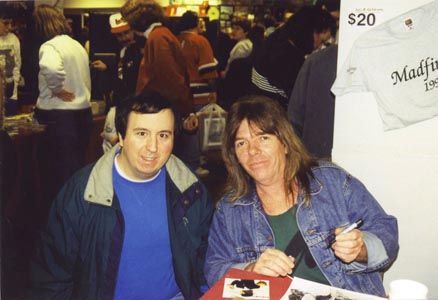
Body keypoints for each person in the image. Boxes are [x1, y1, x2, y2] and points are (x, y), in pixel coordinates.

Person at [204, 95, 399, 297]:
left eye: (263, 138)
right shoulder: (229, 210)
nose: (253, 151)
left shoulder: (331, 182)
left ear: (285, 143)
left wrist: (361, 249)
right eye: (241, 143)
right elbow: (213, 269)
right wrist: (251, 270)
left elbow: (387, 231)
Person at [29, 90, 215, 300]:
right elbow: (51, 275)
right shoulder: (83, 192)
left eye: (163, 135)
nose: (152, 147)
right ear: (121, 137)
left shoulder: (190, 189)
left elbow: (206, 260)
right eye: (141, 133)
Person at [32, 5, 93, 209]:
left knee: (55, 179)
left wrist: (56, 89)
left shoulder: (49, 46)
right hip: (83, 114)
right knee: (74, 174)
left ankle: (59, 228)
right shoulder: (76, 45)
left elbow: (50, 67)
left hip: (58, 118)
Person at [120, 0, 198, 132]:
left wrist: (187, 111)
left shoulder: (157, 38)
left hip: (164, 109)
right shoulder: (162, 34)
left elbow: (170, 77)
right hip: (168, 108)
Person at [251, 6, 335, 109]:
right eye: (321, 42)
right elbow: (300, 101)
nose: (319, 47)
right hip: (272, 113)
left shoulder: (279, 38)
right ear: (311, 31)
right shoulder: (287, 56)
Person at [91, 13, 143, 152]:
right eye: (119, 35)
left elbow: (130, 81)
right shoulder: (123, 52)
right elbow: (121, 77)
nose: (124, 38)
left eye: (126, 33)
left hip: (134, 107)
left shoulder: (140, 52)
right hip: (120, 106)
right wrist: (108, 69)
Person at [176, 10, 219, 176]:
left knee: (183, 127)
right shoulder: (200, 41)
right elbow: (208, 71)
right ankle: (194, 164)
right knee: (195, 128)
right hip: (199, 92)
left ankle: (183, 163)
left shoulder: (174, 40)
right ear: (195, 23)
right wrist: (214, 90)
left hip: (179, 91)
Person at [0, 2, 22, 116]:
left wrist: (15, 85)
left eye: (11, 23)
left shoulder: (13, 39)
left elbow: (17, 65)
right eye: (5, 23)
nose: (9, 27)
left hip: (10, 94)